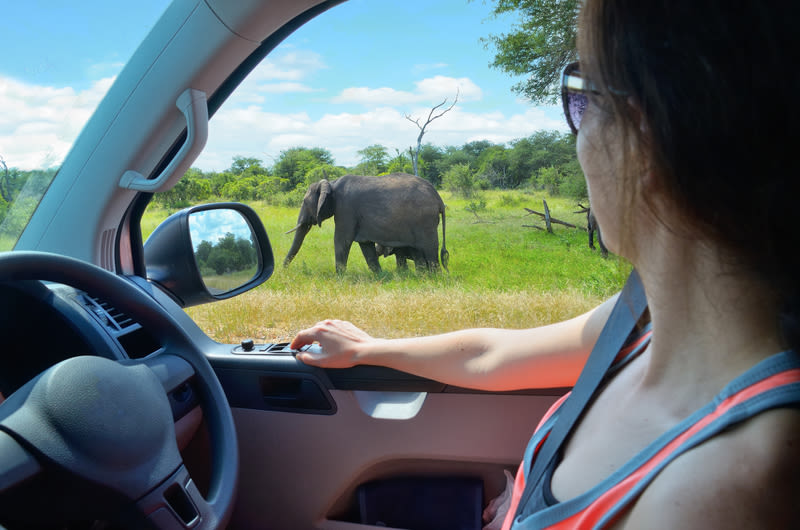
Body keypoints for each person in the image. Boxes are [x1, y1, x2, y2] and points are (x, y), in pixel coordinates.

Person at [291, 0, 800, 527]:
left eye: (580, 95)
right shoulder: (646, 317)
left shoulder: (724, 490)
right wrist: (371, 349)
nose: (576, 137)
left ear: (649, 135)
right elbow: (494, 353)